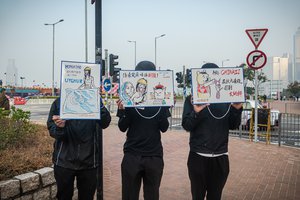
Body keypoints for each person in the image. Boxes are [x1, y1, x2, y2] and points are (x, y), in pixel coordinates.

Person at [181, 63, 243, 200]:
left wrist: (236, 109)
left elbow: (233, 125)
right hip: (197, 156)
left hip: (221, 156)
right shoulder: (192, 99)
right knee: (197, 196)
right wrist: (196, 112)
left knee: (215, 196)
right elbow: (186, 125)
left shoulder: (226, 98)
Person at [116, 61, 171, 200]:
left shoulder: (159, 102)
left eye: (144, 86)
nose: (141, 88)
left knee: (152, 195)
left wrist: (165, 106)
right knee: (129, 195)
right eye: (139, 85)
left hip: (154, 156)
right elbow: (122, 127)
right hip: (132, 155)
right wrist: (123, 110)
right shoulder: (128, 100)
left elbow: (164, 128)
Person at [47, 96, 111, 200]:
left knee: (87, 197)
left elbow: (105, 123)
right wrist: (59, 127)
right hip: (64, 162)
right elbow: (52, 131)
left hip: (89, 162)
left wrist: (99, 105)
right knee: (63, 197)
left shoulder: (93, 100)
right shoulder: (59, 102)